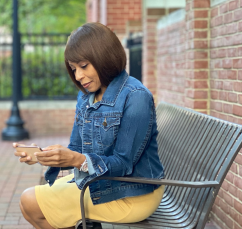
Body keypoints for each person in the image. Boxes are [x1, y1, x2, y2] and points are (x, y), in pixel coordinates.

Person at [14, 22, 165, 229]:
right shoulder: (86, 97)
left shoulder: (136, 96)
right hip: (102, 184)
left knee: (30, 201)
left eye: (83, 66)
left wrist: (77, 160)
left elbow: (123, 163)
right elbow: (76, 149)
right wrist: (45, 157)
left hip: (134, 193)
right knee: (30, 203)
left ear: (103, 56)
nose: (78, 76)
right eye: (74, 69)